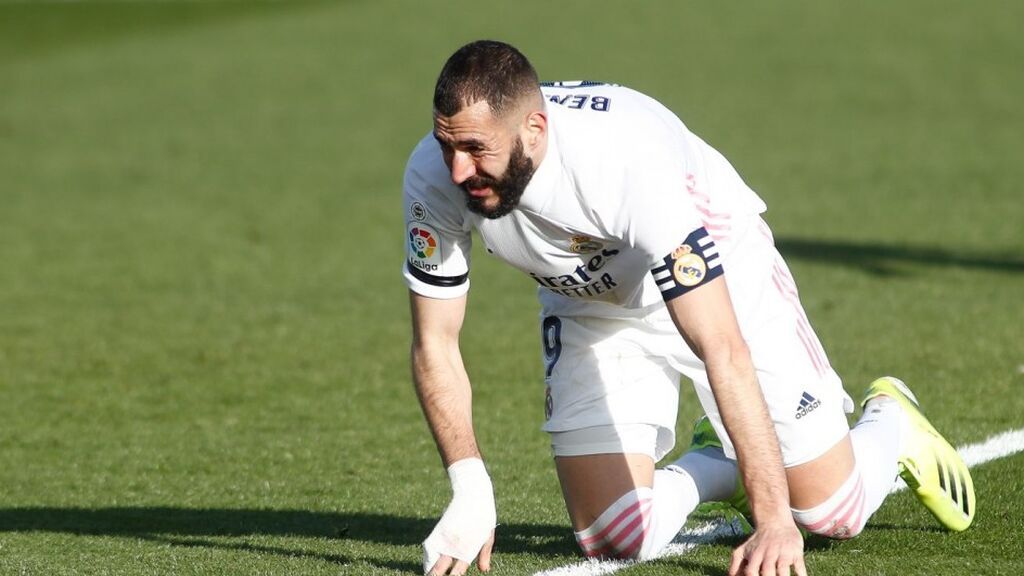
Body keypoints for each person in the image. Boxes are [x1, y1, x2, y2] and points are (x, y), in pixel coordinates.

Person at [402, 40, 975, 576]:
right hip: (590, 300)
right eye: (447, 144)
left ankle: (890, 422)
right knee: (614, 535)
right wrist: (471, 491)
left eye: (476, 149)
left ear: (535, 128)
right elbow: (436, 342)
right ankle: (718, 460)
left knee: (831, 514)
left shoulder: (625, 162)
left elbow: (720, 345)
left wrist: (775, 522)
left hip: (720, 270)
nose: (457, 170)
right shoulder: (433, 177)